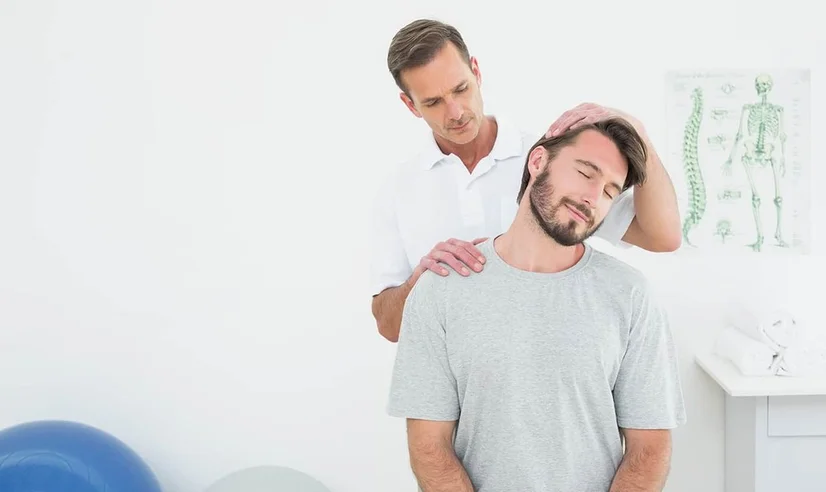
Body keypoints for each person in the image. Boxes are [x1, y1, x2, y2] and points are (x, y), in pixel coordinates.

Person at [386, 117, 687, 492]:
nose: (593, 197)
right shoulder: (442, 289)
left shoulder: (630, 296)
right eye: (585, 173)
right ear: (538, 161)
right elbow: (430, 448)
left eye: (610, 191)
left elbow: (650, 450)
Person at [370, 19, 682, 343]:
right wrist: (421, 281)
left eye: (461, 89)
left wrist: (639, 133)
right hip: (454, 383)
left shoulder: (547, 160)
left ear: (476, 72)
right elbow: (389, 327)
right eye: (433, 102)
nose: (456, 112)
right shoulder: (398, 191)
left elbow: (663, 238)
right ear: (410, 105)